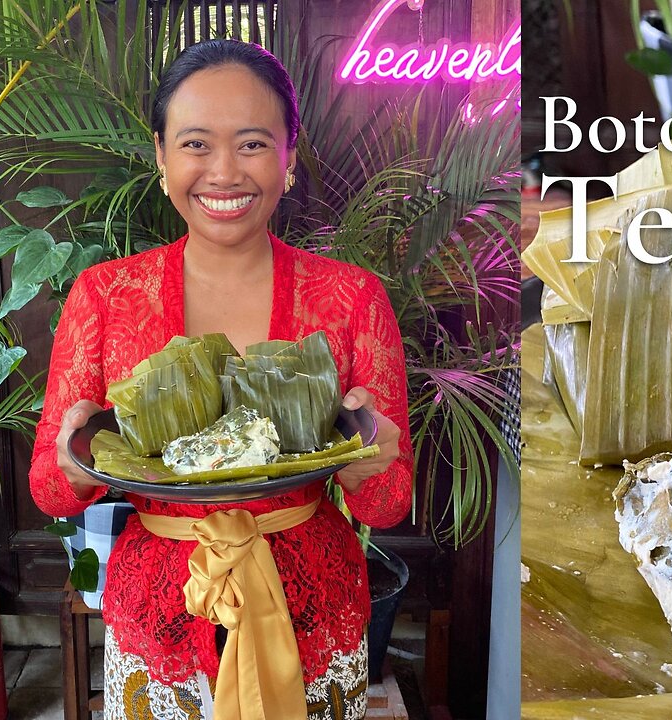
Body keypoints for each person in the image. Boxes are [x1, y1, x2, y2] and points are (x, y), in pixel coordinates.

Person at [28, 39, 413, 720]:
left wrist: (365, 457)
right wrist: (72, 456)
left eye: (254, 145)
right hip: (160, 618)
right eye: (197, 143)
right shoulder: (107, 295)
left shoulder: (351, 297)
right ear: (161, 155)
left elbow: (387, 503)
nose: (224, 172)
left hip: (308, 608)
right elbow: (53, 490)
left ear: (290, 157)